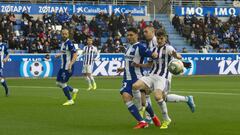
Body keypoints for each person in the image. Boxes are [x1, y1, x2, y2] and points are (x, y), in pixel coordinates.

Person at [132, 30, 195, 129]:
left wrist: (181, 61)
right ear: (156, 38)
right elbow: (149, 64)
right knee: (136, 86)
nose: (160, 40)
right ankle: (143, 110)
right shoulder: (153, 49)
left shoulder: (169, 48)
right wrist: (138, 65)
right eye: (158, 38)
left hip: (162, 77)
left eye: (162, 38)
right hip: (151, 75)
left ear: (165, 38)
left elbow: (176, 55)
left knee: (159, 97)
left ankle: (165, 119)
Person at [116, 27, 160, 129]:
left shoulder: (140, 47)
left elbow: (150, 54)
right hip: (127, 78)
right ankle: (142, 121)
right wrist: (122, 69)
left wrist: (154, 54)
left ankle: (153, 116)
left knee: (143, 102)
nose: (129, 37)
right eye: (128, 35)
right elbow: (129, 62)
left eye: (131, 35)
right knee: (126, 97)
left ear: (136, 35)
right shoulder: (129, 47)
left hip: (137, 78)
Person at [55, 29, 79, 106]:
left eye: (65, 34)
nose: (64, 35)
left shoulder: (69, 43)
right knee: (58, 83)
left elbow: (75, 54)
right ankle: (74, 90)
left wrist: (71, 64)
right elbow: (64, 52)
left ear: (68, 35)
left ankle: (70, 100)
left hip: (68, 67)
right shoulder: (63, 43)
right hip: (63, 67)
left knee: (62, 83)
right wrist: (59, 54)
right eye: (63, 34)